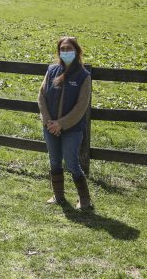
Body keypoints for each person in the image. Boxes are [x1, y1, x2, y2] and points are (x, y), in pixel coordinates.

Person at [38, 36, 93, 210]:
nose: (66, 52)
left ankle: (85, 200)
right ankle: (58, 196)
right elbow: (41, 96)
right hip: (50, 126)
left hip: (72, 129)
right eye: (63, 49)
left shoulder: (84, 76)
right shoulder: (52, 70)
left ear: (77, 51)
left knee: (71, 164)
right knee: (54, 162)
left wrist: (61, 124)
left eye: (69, 49)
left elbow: (81, 106)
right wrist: (48, 122)